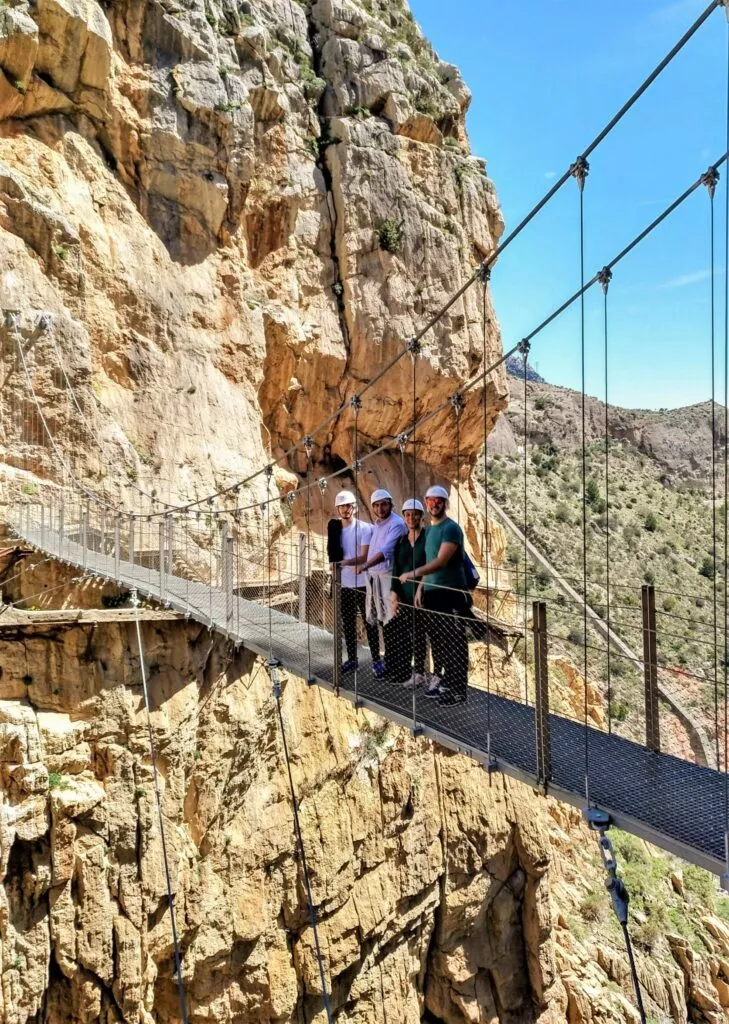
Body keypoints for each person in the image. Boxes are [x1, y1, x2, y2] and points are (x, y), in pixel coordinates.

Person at [399, 484, 469, 706]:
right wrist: (420, 588)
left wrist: (413, 574)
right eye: (430, 500)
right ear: (427, 503)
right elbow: (430, 562)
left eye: (438, 500)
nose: (434, 504)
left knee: (454, 642)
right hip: (432, 594)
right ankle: (446, 684)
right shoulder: (429, 531)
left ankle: (458, 691)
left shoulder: (451, 529)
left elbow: (440, 561)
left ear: (445, 503)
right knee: (440, 642)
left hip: (451, 594)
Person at [330, 490, 380, 673]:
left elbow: (365, 555)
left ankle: (376, 661)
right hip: (344, 583)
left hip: (363, 583)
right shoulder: (335, 531)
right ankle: (352, 659)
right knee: (348, 623)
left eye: (348, 506)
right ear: (338, 509)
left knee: (370, 621)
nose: (345, 509)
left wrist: (343, 563)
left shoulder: (365, 528)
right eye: (342, 506)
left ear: (355, 507)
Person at [359, 488, 407, 679]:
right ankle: (391, 667)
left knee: (394, 624)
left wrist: (366, 565)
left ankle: (400, 670)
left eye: (383, 504)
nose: (380, 508)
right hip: (376, 581)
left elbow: (386, 551)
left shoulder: (396, 524)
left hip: (389, 580)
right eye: (376, 505)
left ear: (391, 505)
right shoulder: (378, 525)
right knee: (385, 624)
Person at [390, 499, 432, 689]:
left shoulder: (428, 538)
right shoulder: (401, 542)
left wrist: (421, 587)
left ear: (421, 516)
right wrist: (394, 594)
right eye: (407, 514)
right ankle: (417, 673)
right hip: (406, 597)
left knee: (431, 635)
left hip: (425, 597)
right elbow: (396, 570)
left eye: (415, 514)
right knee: (413, 635)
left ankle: (433, 675)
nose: (411, 518)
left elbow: (432, 564)